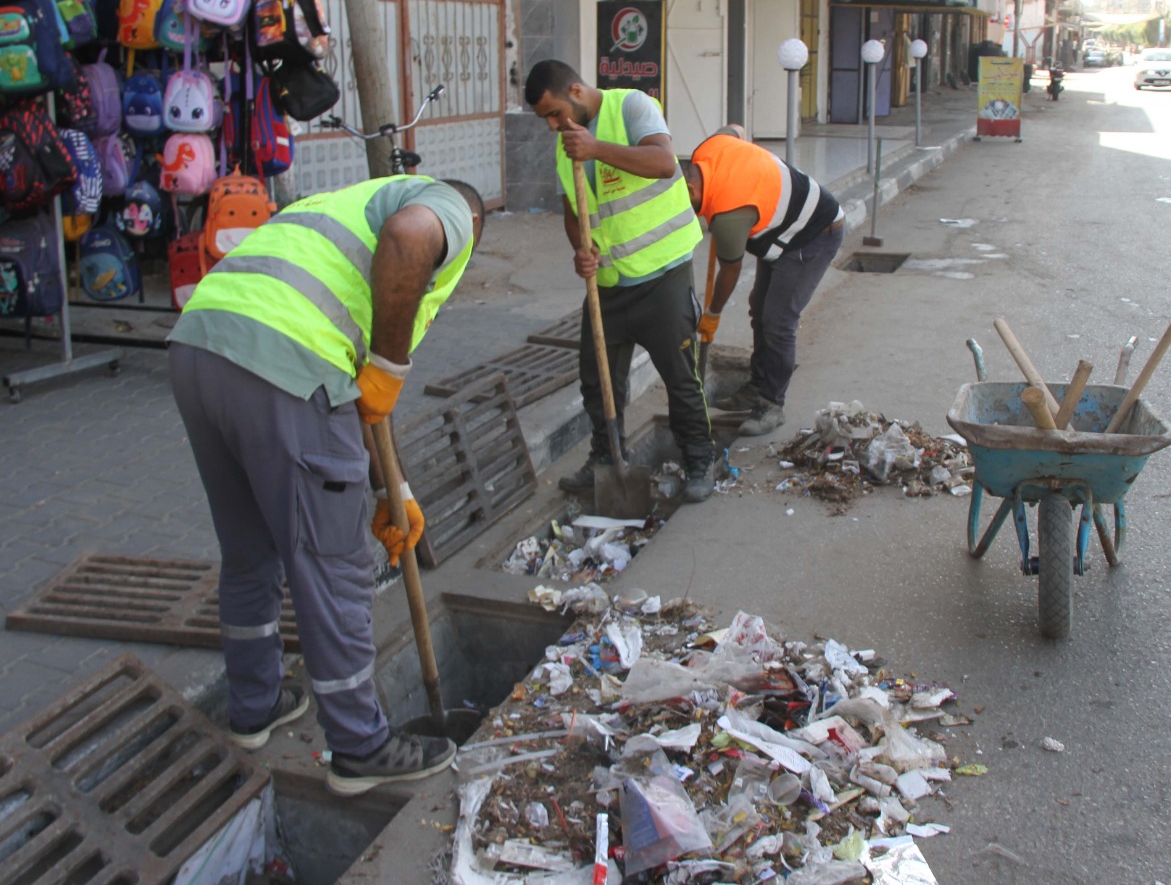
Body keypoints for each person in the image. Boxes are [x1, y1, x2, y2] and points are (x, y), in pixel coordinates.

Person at [168, 173, 485, 797]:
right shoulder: (449, 208)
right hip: (283, 364)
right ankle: (360, 746)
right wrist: (390, 366)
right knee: (333, 564)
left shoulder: (337, 207)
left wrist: (393, 490)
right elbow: (411, 239)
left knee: (250, 551)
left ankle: (255, 706)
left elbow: (359, 395)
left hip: (200, 349)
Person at [522, 60, 716, 502]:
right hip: (608, 285)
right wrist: (582, 250)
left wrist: (596, 148)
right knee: (598, 380)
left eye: (554, 113)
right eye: (544, 119)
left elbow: (663, 162)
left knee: (680, 376)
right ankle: (607, 458)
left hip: (662, 276)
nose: (552, 125)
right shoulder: (565, 147)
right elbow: (574, 212)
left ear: (576, 91)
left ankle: (699, 458)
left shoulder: (632, 107)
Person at [683, 126, 844, 436]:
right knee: (759, 307)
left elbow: (730, 272)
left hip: (814, 232)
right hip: (783, 224)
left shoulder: (729, 217)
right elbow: (737, 129)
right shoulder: (709, 148)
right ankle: (758, 385)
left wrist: (712, 313)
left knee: (778, 320)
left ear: (691, 190)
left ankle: (772, 404)